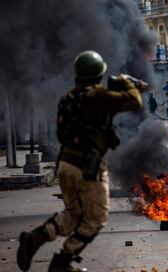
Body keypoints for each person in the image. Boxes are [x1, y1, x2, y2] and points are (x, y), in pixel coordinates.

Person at [17, 51, 147, 272]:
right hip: (88, 167)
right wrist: (128, 82)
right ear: (98, 76)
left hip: (66, 163)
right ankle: (63, 261)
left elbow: (64, 132)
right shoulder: (96, 96)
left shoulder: (67, 98)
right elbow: (134, 101)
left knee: (74, 213)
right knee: (95, 219)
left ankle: (35, 238)